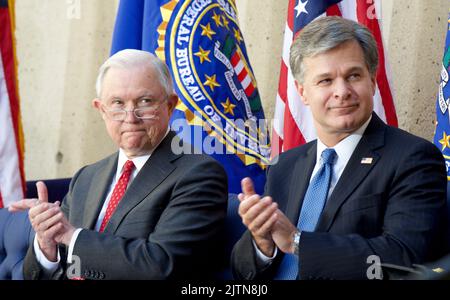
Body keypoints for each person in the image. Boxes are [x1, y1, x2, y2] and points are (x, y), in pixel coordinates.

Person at [231, 16, 448, 280]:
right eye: (325, 81)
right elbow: (242, 273)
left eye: (353, 75)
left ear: (372, 81)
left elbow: (402, 257)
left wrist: (297, 241)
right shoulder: (286, 165)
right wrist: (262, 243)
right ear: (302, 92)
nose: (342, 91)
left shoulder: (412, 158)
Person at [9, 49, 228, 280]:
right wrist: (47, 242)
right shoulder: (87, 177)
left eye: (145, 101)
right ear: (101, 110)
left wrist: (70, 235)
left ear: (170, 105)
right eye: (117, 103)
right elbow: (46, 268)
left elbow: (162, 266)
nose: (130, 117)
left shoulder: (198, 174)